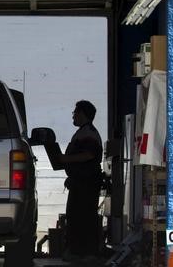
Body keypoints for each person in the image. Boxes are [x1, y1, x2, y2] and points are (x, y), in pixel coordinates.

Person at [58, 100, 103, 264]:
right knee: (75, 216)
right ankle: (77, 250)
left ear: (83, 114)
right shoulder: (82, 132)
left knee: (85, 217)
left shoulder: (89, 133)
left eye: (75, 112)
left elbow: (89, 155)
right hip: (79, 182)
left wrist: (65, 158)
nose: (73, 116)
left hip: (87, 183)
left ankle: (89, 252)